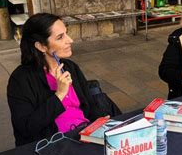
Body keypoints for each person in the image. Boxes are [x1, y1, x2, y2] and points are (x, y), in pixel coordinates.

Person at [7, 13, 107, 146]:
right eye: (60, 37)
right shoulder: (21, 80)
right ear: (41, 46)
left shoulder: (70, 67)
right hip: (54, 145)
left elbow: (88, 105)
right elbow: (26, 128)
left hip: (85, 135)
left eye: (66, 33)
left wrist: (100, 123)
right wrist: (59, 95)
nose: (70, 40)